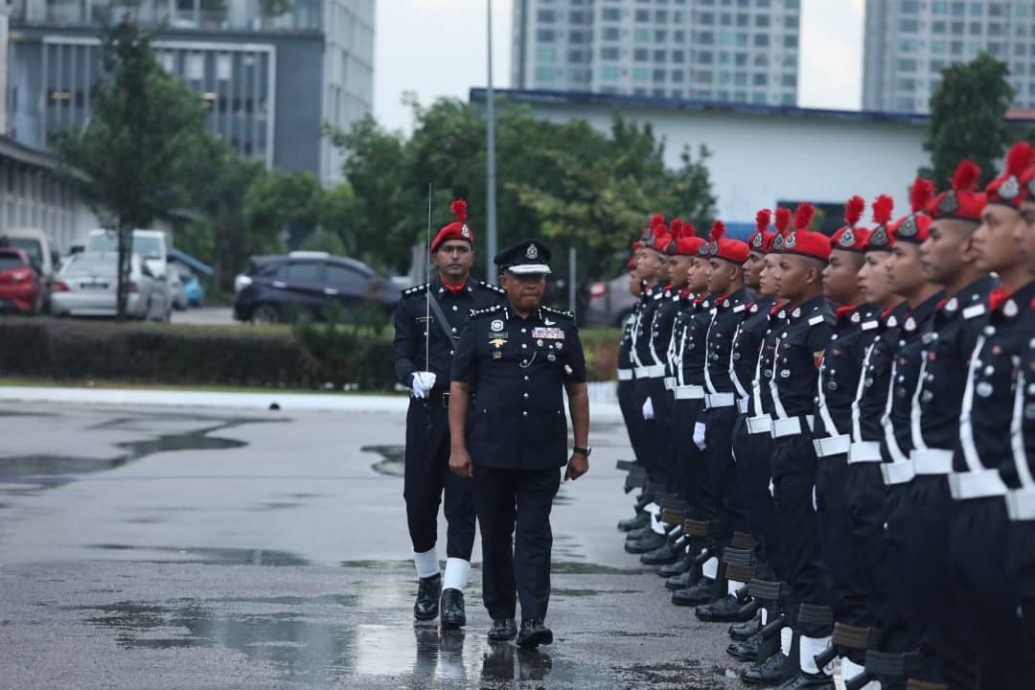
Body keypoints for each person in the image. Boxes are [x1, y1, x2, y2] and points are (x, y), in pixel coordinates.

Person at [448, 239, 591, 648]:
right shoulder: (480, 324)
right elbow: (460, 388)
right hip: (490, 450)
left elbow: (577, 389)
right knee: (494, 533)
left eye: (539, 278)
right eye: (524, 278)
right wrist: (458, 446)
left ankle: (533, 617)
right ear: (504, 280)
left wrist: (581, 449)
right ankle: (500, 614)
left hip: (542, 452)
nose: (532, 285)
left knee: (533, 533)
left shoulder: (562, 326)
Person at [392, 199, 505, 627]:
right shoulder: (413, 302)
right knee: (418, 501)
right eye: (448, 250)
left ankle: (454, 592)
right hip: (426, 414)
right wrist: (409, 376)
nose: (455, 256)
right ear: (435, 256)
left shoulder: (493, 302)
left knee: (463, 504)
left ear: (473, 257)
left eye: (462, 249)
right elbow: (400, 352)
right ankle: (428, 579)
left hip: (474, 416)